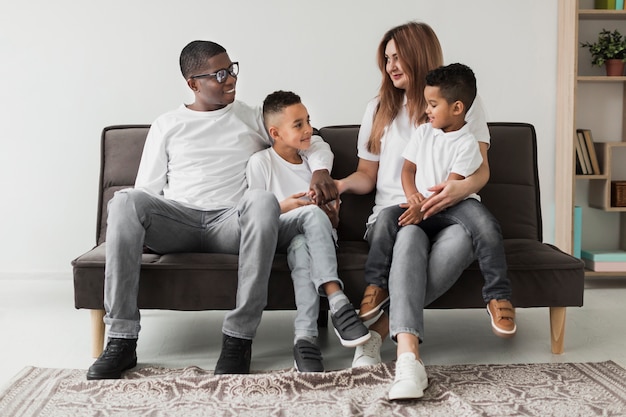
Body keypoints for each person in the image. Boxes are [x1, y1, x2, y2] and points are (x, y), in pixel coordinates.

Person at [86, 40, 338, 380]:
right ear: (193, 84)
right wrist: (139, 228)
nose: (231, 79)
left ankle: (239, 337)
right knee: (125, 200)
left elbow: (310, 139)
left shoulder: (250, 117)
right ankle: (121, 339)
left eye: (232, 69)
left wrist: (321, 169)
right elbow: (147, 189)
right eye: (219, 74)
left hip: (228, 223)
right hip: (178, 220)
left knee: (262, 201)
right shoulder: (168, 124)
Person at [335, 22, 514, 401]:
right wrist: (336, 186)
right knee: (410, 238)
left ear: (420, 55)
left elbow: (479, 167)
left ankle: (378, 333)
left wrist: (456, 191)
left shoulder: (461, 103)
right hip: (398, 211)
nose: (390, 66)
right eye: (386, 59)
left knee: (463, 235)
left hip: (454, 212)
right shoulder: (378, 108)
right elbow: (368, 176)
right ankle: (408, 360)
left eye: (398, 57)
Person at [246, 90, 370, 373]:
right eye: (298, 124)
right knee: (308, 218)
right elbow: (256, 215)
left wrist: (332, 217)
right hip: (279, 231)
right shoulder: (261, 163)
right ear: (275, 132)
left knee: (303, 247)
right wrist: (289, 207)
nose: (308, 129)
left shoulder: (314, 161)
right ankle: (337, 300)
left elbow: (331, 220)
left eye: (308, 121)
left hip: (313, 237)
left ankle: (305, 338)